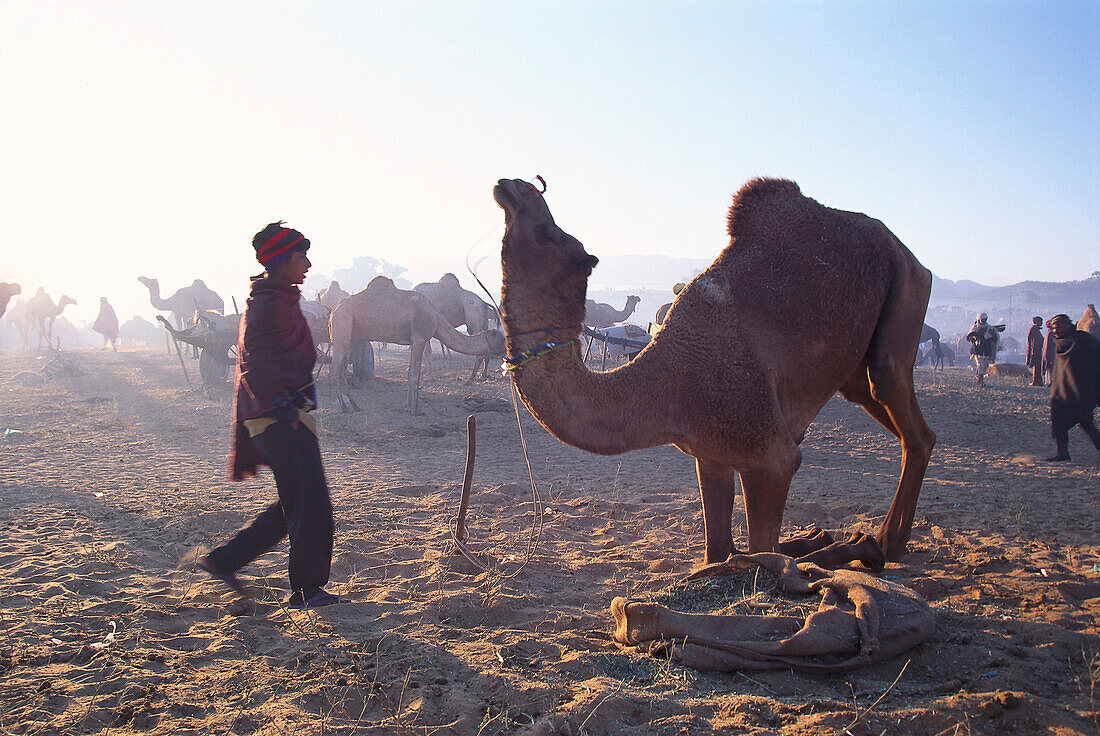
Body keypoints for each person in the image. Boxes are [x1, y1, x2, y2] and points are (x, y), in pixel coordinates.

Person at [197, 222, 338, 608]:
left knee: (297, 500)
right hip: (278, 416)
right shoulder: (267, 305)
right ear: (281, 260)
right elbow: (255, 365)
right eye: (301, 256)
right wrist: (284, 407)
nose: (307, 264)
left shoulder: (276, 299)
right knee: (311, 504)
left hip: (285, 413)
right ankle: (307, 591)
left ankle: (225, 560)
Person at [1045, 314, 1100, 463]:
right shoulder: (1061, 342)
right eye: (1054, 328)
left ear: (1068, 326)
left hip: (1082, 390)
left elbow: (1096, 359)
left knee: (1086, 422)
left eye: (1059, 327)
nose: (1056, 331)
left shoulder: (1083, 340)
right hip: (1062, 390)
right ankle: (1063, 453)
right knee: (1059, 422)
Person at [965, 312, 1000, 386]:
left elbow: (994, 338)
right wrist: (975, 339)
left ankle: (979, 376)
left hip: (986, 350)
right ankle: (980, 380)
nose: (983, 321)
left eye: (985, 320)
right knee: (980, 364)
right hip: (978, 350)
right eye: (982, 320)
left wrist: (992, 334)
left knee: (986, 365)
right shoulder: (975, 328)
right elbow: (969, 337)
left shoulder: (989, 328)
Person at [1026, 315, 1045, 386]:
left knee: (1038, 366)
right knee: (1036, 366)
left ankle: (1038, 381)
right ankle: (1036, 381)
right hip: (1035, 351)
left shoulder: (1036, 330)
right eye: (1040, 322)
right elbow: (1030, 342)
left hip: (1038, 351)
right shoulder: (1033, 330)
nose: (1042, 323)